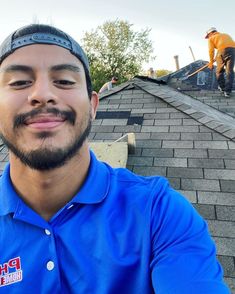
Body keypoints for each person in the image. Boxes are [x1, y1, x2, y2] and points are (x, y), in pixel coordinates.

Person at [0, 24, 230, 294]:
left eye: (63, 80)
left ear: (94, 106)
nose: (41, 94)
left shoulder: (159, 213)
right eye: (19, 82)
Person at [205, 27, 235, 98]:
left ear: (211, 33)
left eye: (208, 35)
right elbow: (228, 46)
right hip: (233, 51)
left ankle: (222, 87)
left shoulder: (211, 38)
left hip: (221, 51)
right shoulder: (226, 35)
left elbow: (211, 51)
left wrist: (211, 62)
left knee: (219, 71)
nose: (208, 37)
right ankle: (227, 92)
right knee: (229, 71)